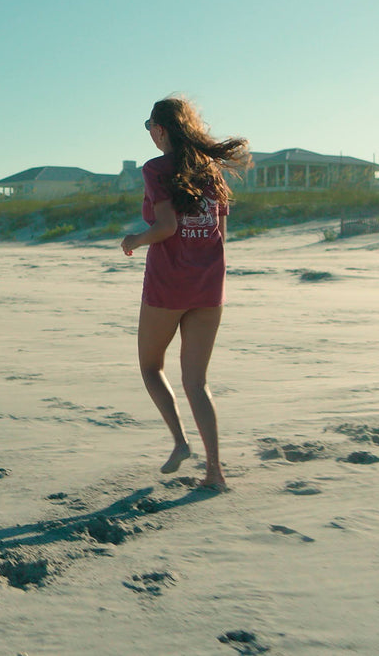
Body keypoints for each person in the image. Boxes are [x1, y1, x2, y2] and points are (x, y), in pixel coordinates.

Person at [121, 96, 251, 489]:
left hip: (168, 283)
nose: (150, 135)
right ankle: (215, 472)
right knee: (197, 381)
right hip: (210, 285)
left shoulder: (156, 168)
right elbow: (220, 237)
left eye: (149, 127)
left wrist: (134, 240)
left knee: (150, 366)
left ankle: (180, 443)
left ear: (160, 129)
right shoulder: (212, 170)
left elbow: (166, 228)